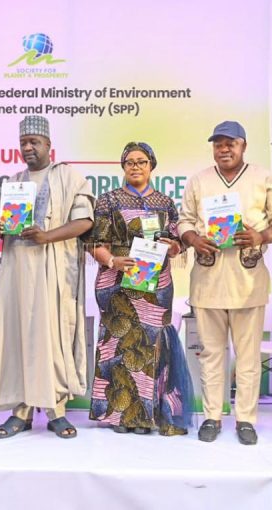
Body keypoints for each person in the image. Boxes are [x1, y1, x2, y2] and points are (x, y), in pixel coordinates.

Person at [178, 120, 272, 444]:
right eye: (218, 144)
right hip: (208, 279)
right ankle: (212, 416)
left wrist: (261, 236)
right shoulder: (199, 180)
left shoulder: (264, 178)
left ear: (243, 146)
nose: (224, 149)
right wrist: (193, 239)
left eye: (231, 143)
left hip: (248, 280)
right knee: (211, 354)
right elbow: (185, 221)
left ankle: (245, 419)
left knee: (248, 356)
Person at [0, 115, 94, 439]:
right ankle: (21, 412)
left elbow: (85, 221)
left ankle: (56, 411)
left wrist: (47, 236)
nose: (28, 147)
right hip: (17, 271)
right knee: (18, 337)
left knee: (52, 339)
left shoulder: (68, 176)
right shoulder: (13, 182)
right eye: (23, 143)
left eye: (34, 142)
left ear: (49, 145)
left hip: (53, 271)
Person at [88, 141, 193, 436]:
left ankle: (147, 416)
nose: (135, 167)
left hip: (155, 285)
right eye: (130, 162)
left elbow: (179, 242)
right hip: (117, 282)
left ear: (151, 166)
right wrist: (113, 261)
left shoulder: (165, 203)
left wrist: (174, 247)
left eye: (141, 162)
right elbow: (94, 243)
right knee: (117, 346)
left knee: (151, 345)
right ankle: (119, 416)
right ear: (123, 167)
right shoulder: (108, 200)